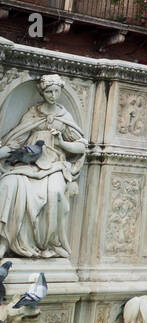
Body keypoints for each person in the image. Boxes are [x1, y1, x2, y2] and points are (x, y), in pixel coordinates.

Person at [0, 74, 87, 258]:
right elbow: (17, 141)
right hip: (30, 165)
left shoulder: (64, 117)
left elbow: (80, 146)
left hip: (55, 166)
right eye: (48, 91)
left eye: (56, 91)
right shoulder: (33, 113)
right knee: (8, 183)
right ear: (42, 92)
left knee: (55, 192)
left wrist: (62, 142)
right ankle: (5, 241)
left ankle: (46, 243)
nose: (53, 95)